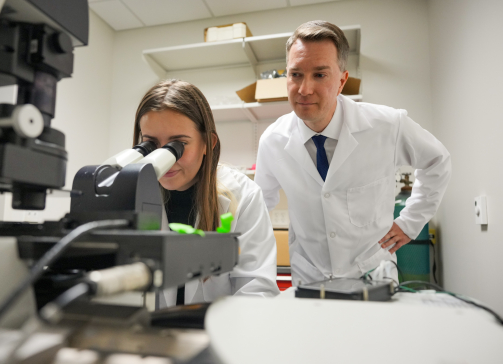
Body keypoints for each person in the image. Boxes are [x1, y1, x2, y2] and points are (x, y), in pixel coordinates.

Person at [255, 21, 451, 285]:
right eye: (296, 74)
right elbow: (258, 206)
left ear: (341, 81)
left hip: (372, 273)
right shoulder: (273, 140)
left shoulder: (387, 125)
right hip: (310, 276)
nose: (304, 89)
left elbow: (437, 160)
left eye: (320, 75)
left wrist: (409, 223)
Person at [133, 79, 279, 307]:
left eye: (177, 145)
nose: (164, 159)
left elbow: (255, 290)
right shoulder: (130, 192)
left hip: (220, 333)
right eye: (150, 144)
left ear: (207, 144)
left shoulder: (244, 195)